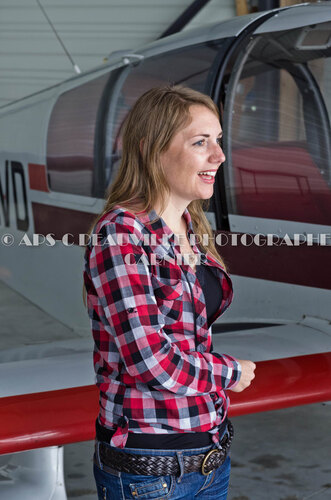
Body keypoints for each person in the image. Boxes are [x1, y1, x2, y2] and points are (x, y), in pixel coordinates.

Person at [83, 85, 256, 500]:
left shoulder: (191, 225)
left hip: (210, 454)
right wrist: (229, 373)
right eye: (201, 143)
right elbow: (150, 362)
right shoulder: (121, 233)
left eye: (218, 141)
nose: (219, 156)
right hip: (150, 470)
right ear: (150, 149)